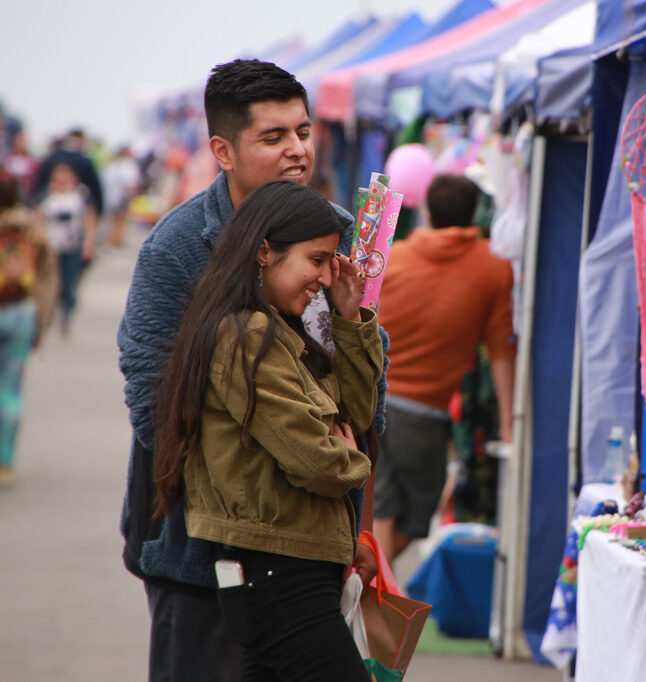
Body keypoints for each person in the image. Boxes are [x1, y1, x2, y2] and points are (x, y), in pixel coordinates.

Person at [117, 58, 386, 682]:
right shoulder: (178, 248)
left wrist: (351, 520)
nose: (296, 150)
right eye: (273, 137)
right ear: (223, 150)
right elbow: (156, 404)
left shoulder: (334, 235)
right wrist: (295, 460)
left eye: (302, 131)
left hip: (312, 544)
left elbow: (367, 396)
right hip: (200, 555)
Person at [152, 180, 380, 681]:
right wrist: (353, 463)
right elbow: (318, 460)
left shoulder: (278, 328)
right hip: (281, 569)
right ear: (263, 252)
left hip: (290, 564)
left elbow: (355, 418)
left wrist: (349, 318)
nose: (324, 276)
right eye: (316, 260)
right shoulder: (247, 335)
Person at [373, 173, 516, 563]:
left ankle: (364, 590)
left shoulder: (393, 255)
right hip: (423, 415)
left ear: (428, 212)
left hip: (366, 396)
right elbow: (502, 349)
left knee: (379, 507)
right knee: (410, 515)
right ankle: (369, 598)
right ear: (474, 216)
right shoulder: (493, 267)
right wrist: (508, 420)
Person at [0, 172, 57, 486]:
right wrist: (41, 320)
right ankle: (5, 464)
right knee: (9, 391)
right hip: (21, 313)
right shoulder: (30, 228)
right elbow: (48, 275)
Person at [37, 161, 97, 335]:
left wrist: (89, 243)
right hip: (49, 248)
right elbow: (36, 217)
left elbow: (89, 219)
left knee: (68, 285)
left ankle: (66, 317)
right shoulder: (46, 194)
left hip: (71, 247)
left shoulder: (81, 195)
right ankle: (47, 319)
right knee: (50, 285)